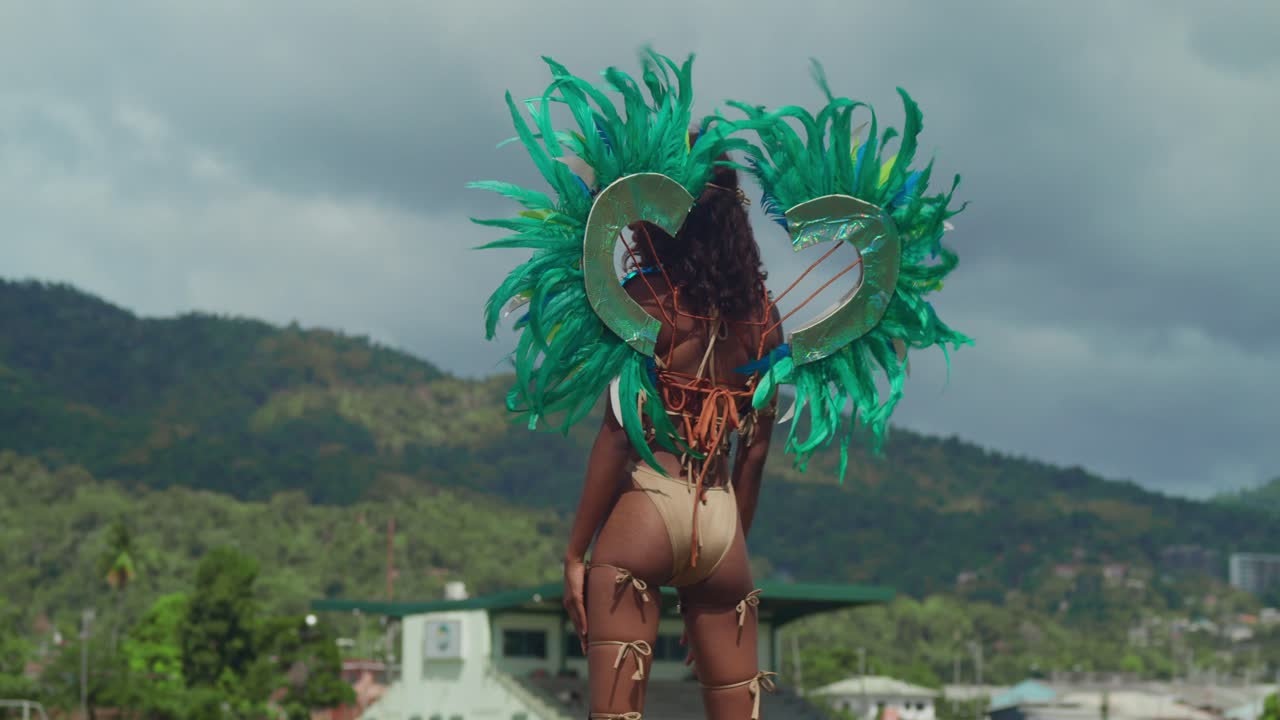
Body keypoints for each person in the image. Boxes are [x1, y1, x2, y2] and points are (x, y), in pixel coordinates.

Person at [561, 155, 784, 720]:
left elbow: (616, 436)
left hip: (647, 512)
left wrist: (574, 554)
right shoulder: (764, 317)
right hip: (723, 523)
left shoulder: (646, 300)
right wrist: (725, 549)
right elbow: (754, 454)